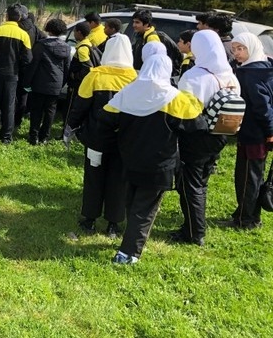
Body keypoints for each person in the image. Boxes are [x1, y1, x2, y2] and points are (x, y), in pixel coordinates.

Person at [98, 54, 205, 264]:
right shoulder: (174, 98)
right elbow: (197, 126)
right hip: (159, 163)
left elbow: (105, 118)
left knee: (131, 201)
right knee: (145, 208)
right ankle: (128, 253)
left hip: (129, 158)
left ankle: (130, 239)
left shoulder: (127, 92)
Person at [171, 30, 239, 245]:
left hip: (196, 135)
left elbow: (182, 109)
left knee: (190, 184)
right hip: (221, 135)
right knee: (201, 181)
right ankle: (193, 227)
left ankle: (193, 232)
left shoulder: (195, 75)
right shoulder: (230, 75)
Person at [67, 34, 137, 238]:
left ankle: (89, 220)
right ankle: (113, 224)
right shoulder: (135, 78)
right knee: (119, 180)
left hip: (96, 138)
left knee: (93, 178)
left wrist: (72, 126)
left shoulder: (95, 75)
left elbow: (80, 106)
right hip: (123, 141)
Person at [225, 33, 273, 229]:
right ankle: (246, 214)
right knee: (253, 176)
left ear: (251, 48)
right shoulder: (262, 67)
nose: (236, 53)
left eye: (241, 48)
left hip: (254, 134)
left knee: (247, 178)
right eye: (234, 49)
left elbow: (263, 107)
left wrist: (270, 131)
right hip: (255, 133)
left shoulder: (250, 74)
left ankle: (247, 220)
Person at [0, 5, 32, 144]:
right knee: (9, 105)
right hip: (12, 74)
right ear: (19, 18)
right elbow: (28, 59)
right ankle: (6, 136)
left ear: (6, 16)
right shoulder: (24, 35)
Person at [23, 19, 70, 146]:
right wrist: (61, 83)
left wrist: (27, 82)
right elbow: (67, 68)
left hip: (39, 83)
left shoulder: (41, 45)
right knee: (50, 111)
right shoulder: (66, 47)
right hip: (56, 84)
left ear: (48, 29)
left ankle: (34, 136)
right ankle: (45, 136)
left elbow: (33, 65)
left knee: (36, 110)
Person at [68, 22, 98, 95]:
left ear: (79, 32)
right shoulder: (88, 43)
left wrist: (75, 76)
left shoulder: (82, 49)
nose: (74, 34)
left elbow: (88, 67)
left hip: (78, 84)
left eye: (74, 31)